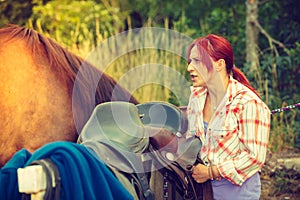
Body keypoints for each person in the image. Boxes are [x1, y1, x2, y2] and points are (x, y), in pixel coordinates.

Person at [186, 34, 271, 199]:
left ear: (219, 64)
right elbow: (192, 139)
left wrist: (211, 172)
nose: (190, 68)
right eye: (190, 61)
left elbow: (254, 158)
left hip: (236, 192)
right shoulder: (196, 97)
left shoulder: (247, 102)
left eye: (197, 61)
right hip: (202, 190)